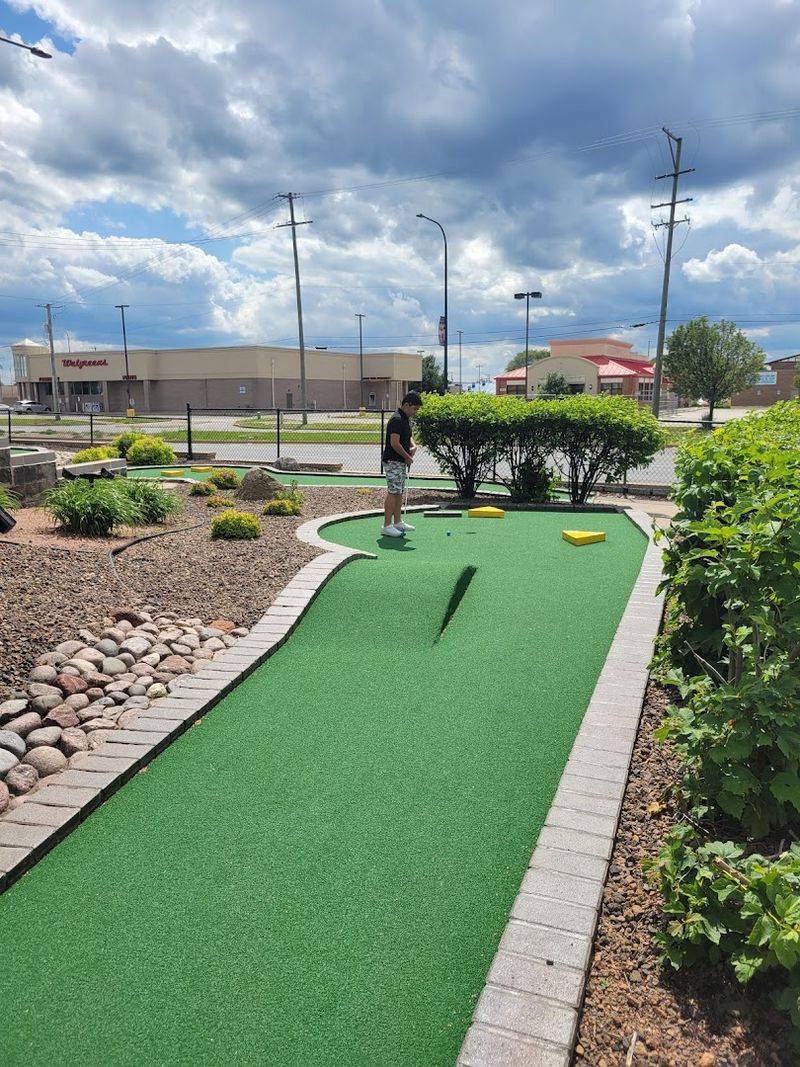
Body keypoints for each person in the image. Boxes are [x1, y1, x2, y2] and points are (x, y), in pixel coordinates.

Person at [381, 390, 422, 537]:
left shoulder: (405, 419)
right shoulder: (397, 419)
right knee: (393, 492)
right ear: (406, 405)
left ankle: (397, 522)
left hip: (400, 462)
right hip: (393, 461)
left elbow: (408, 437)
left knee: (399, 491)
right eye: (414, 409)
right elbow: (394, 443)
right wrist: (407, 457)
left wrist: (413, 445)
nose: (415, 412)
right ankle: (386, 526)